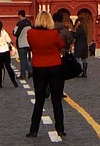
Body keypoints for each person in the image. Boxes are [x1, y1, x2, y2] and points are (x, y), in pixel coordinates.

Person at [26, 10, 67, 138]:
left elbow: (31, 46)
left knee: (39, 99)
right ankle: (60, 129)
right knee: (56, 99)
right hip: (55, 67)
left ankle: (34, 130)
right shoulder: (54, 34)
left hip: (38, 67)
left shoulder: (30, 33)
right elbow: (61, 45)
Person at [0, 19, 19, 87]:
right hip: (5, 50)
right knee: (8, 66)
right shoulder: (3, 32)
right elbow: (9, 40)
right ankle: (13, 80)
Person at [14, 10, 34, 79]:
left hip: (21, 43)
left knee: (23, 60)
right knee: (25, 59)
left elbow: (15, 33)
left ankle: (24, 74)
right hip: (28, 43)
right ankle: (30, 71)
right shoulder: (29, 22)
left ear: (20, 15)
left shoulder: (19, 23)